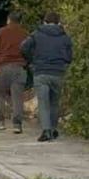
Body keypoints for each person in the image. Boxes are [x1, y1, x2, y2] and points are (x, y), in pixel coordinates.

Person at [21, 12, 74, 142]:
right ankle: (54, 129)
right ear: (59, 23)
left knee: (44, 102)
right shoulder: (65, 37)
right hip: (58, 72)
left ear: (44, 22)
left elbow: (23, 47)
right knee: (54, 102)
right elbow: (69, 56)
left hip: (41, 72)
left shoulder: (36, 34)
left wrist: (31, 60)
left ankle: (46, 131)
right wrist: (63, 63)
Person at [0, 10, 29, 134]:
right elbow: (29, 51)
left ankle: (0, 122)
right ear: (20, 21)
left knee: (0, 95)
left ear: (8, 20)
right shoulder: (25, 34)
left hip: (3, 67)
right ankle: (17, 125)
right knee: (17, 97)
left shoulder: (1, 32)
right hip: (19, 68)